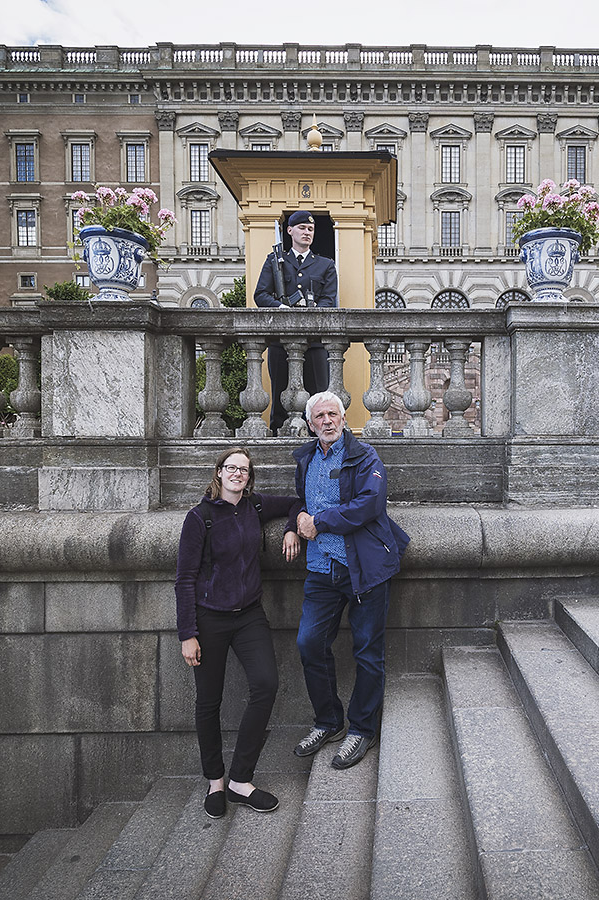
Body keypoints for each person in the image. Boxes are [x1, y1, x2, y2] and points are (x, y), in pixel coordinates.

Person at [174, 447, 302, 817]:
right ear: (218, 472)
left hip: (249, 616)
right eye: (231, 468)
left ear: (249, 477)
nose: (237, 474)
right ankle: (214, 781)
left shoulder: (255, 507)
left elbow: (295, 503)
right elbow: (184, 580)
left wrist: (293, 528)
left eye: (244, 470)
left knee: (266, 685)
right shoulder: (199, 518)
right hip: (209, 619)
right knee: (208, 702)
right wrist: (188, 633)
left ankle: (239, 781)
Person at [291, 391, 411, 769]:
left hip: (362, 570)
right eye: (319, 416)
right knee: (309, 643)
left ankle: (362, 729)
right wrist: (295, 524)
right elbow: (301, 501)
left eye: (333, 414)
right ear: (310, 425)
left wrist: (319, 522)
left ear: (344, 418)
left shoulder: (365, 457)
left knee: (368, 653)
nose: (326, 421)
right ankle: (328, 721)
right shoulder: (307, 457)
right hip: (320, 570)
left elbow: (369, 505)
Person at [253, 210, 337, 433]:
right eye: (302, 228)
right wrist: (283, 309)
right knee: (281, 397)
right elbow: (261, 295)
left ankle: (318, 441)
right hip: (280, 341)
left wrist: (312, 312)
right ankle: (279, 440)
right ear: (290, 231)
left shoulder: (325, 265)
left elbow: (329, 301)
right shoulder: (275, 261)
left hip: (315, 342)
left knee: (318, 397)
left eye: (310, 229)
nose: (307, 232)